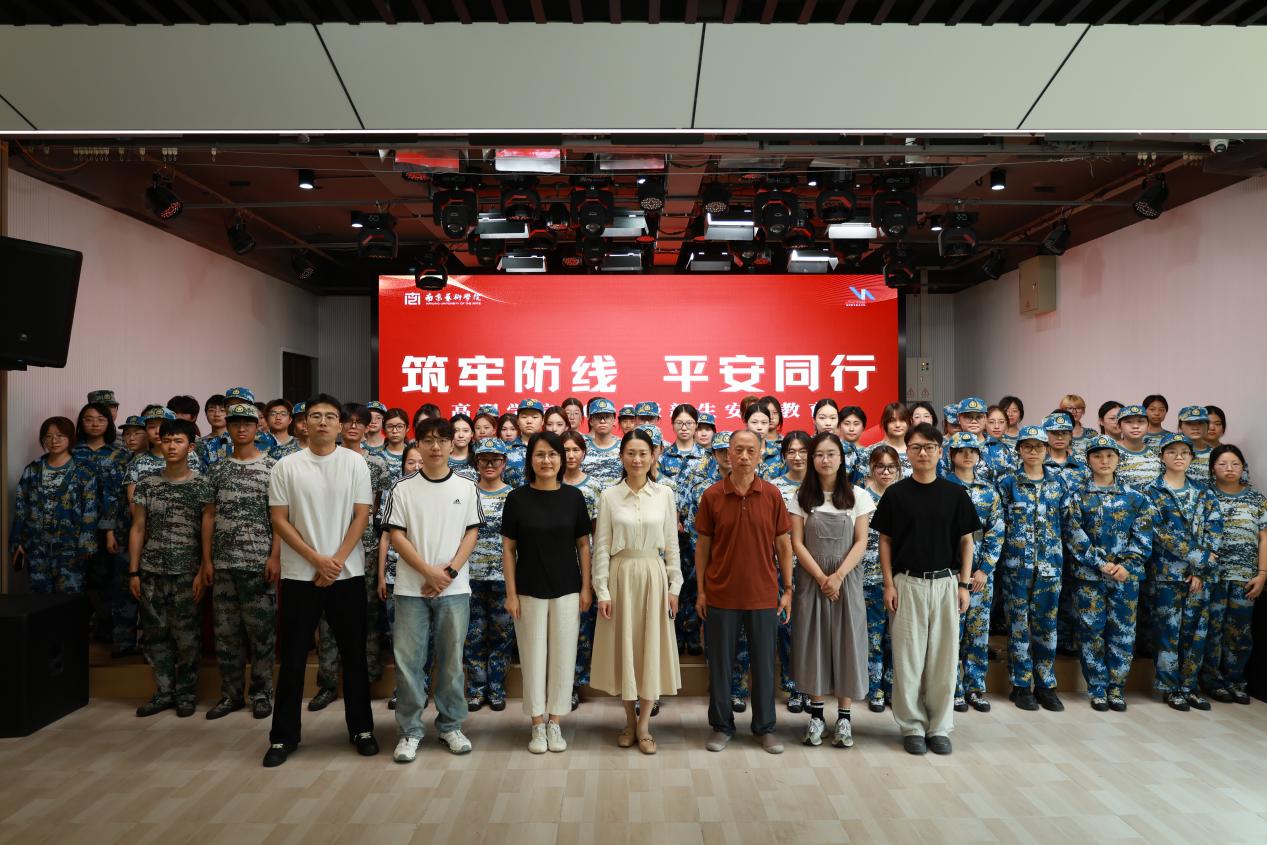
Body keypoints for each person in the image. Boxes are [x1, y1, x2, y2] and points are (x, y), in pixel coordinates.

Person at [263, 394, 377, 767]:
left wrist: (337, 560)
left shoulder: (355, 463)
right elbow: (279, 520)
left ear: (340, 425)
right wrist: (316, 560)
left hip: (348, 573)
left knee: (354, 656)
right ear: (304, 423)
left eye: (330, 416)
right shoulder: (286, 467)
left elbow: (361, 515)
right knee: (294, 658)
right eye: (315, 416)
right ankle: (283, 737)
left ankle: (362, 729)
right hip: (300, 574)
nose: (323, 422)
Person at [871, 423, 978, 755]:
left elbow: (967, 542)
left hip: (946, 584)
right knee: (908, 659)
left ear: (940, 451)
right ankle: (912, 726)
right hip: (907, 583)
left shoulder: (955, 494)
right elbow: (885, 541)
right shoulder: (896, 494)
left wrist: (964, 584)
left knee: (944, 659)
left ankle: (939, 727)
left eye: (929, 447)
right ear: (907, 451)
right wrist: (889, 583)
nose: (923, 453)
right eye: (916, 447)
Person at [380, 416, 481, 762]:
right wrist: (427, 572)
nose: (435, 446)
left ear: (453, 444)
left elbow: (472, 532)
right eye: (428, 440)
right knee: (408, 663)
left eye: (442, 440)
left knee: (451, 661)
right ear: (418, 444)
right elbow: (396, 534)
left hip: (455, 589)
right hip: (411, 589)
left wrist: (448, 573)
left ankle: (451, 725)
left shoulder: (466, 486)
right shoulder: (402, 487)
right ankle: (409, 731)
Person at [696, 429, 794, 755]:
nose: (743, 456)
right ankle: (721, 726)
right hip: (721, 594)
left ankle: (765, 728)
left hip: (763, 594)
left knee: (764, 665)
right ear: (727, 453)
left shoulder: (772, 495)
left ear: (761, 452)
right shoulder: (712, 496)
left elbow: (784, 546)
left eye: (751, 450)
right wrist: (701, 591)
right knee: (720, 665)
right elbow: (703, 548)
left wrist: (788, 589)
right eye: (738, 450)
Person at [591, 428, 683, 754]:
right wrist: (602, 590)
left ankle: (644, 726)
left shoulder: (665, 495)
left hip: (653, 576)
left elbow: (672, 544)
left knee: (649, 650)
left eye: (643, 453)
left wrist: (674, 586)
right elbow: (601, 547)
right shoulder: (609, 496)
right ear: (621, 457)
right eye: (630, 453)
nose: (637, 459)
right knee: (625, 650)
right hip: (621, 577)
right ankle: (629, 721)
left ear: (653, 455)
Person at [501, 431, 593, 754]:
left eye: (553, 454)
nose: (547, 460)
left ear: (562, 459)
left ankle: (555, 721)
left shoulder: (574, 498)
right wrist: (511, 594)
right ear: (530, 459)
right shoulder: (517, 499)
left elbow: (584, 545)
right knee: (532, 657)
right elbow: (508, 549)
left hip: (568, 589)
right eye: (540, 454)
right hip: (528, 590)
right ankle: (537, 723)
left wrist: (586, 587)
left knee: (564, 657)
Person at [788, 432, 875, 749]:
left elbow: (861, 542)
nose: (825, 460)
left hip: (846, 578)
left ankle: (844, 717)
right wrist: (821, 577)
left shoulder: (858, 496)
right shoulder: (800, 497)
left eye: (831, 454)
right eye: (819, 454)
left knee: (847, 641)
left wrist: (837, 576)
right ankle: (816, 714)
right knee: (814, 641)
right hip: (812, 579)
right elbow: (797, 543)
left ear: (841, 458)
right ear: (812, 460)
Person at [128, 418, 212, 718]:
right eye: (167, 441)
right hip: (152, 569)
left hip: (187, 572)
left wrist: (203, 568)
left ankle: (186, 693)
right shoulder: (148, 484)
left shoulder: (202, 485)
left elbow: (208, 530)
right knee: (155, 635)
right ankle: (163, 692)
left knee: (187, 637)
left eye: (178, 441)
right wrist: (134, 571)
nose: (171, 446)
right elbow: (138, 528)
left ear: (191, 447)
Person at [200, 402, 279, 721]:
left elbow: (280, 518)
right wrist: (206, 560)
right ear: (228, 428)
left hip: (258, 562)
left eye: (247, 423)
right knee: (226, 634)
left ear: (257, 427)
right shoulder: (217, 468)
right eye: (235, 423)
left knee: (261, 634)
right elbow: (209, 515)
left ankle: (262, 693)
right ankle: (230, 695)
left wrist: (275, 556)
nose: (241, 428)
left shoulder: (272, 467)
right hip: (223, 564)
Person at [1067, 434, 1155, 712]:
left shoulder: (1136, 497)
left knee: (1123, 634)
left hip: (1124, 577)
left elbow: (1143, 536)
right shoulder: (1077, 496)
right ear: (1088, 460)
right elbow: (1074, 535)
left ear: (1119, 459)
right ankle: (1097, 688)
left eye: (1109, 456)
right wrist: (1100, 563)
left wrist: (1127, 565)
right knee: (1091, 632)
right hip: (1090, 577)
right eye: (1097, 456)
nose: (1104, 461)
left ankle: (1116, 688)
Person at [996, 425, 1073, 713]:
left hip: (1050, 567)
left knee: (1047, 627)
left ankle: (1045, 685)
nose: (1033, 451)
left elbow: (1068, 525)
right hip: (1017, 568)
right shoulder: (1008, 484)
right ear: (1019, 450)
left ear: (1047, 450)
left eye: (1038, 447)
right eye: (1027, 446)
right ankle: (1020, 685)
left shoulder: (1058, 484)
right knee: (1018, 626)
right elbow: (999, 526)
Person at [1143, 433, 1222, 712]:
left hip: (1199, 577)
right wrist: (1199, 557)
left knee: (1195, 633)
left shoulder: (1204, 492)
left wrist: (1201, 569)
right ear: (1162, 456)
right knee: (1168, 633)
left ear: (1191, 458)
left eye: (1184, 453)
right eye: (1172, 452)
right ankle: (1170, 688)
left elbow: (1215, 530)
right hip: (1165, 574)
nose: (1179, 457)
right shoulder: (1150, 492)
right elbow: (1159, 532)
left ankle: (1189, 687)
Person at [944, 433, 1004, 714]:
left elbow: (997, 532)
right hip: (951, 574)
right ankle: (953, 689)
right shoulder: (942, 488)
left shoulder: (989, 491)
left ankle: (975, 688)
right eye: (962, 450)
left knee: (978, 634)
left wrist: (985, 569)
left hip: (980, 577)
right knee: (951, 634)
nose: (968, 455)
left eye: (973, 451)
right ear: (951, 454)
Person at [1204, 445, 1266, 705]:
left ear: (1243, 467)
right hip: (1213, 576)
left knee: (1240, 632)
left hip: (1245, 577)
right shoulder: (1205, 495)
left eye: (1235, 464)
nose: (1229, 469)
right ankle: (1212, 681)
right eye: (1222, 464)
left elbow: (1264, 538)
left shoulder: (1256, 499)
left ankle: (1235, 681)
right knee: (1212, 630)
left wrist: (1263, 573)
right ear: (1212, 468)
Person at [11, 417, 100, 594]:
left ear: (70, 438)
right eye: (48, 436)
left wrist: (87, 543)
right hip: (37, 547)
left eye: (60, 435)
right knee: (39, 600)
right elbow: (21, 507)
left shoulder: (83, 471)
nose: (54, 440)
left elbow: (90, 509)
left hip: (71, 548)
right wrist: (17, 541)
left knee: (69, 600)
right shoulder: (33, 470)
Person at [72, 402, 131, 649]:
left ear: (109, 423)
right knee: (81, 580)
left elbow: (122, 494)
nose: (94, 424)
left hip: (113, 527)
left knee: (109, 579)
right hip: (77, 527)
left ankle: (107, 632)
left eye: (100, 419)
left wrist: (110, 530)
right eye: (88, 419)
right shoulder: (73, 452)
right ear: (80, 423)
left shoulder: (120, 454)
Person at [463, 439, 514, 712]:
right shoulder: (466, 493)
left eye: (495, 459)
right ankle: (475, 690)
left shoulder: (514, 496)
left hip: (504, 578)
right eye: (484, 459)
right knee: (473, 635)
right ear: (477, 463)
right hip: (470, 575)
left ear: (504, 463)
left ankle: (496, 689)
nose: (490, 464)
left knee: (501, 636)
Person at [561, 430, 603, 710]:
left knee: (583, 629)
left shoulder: (594, 487)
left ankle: (576, 683)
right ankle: (561, 683)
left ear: (584, 453)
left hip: (586, 566)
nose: (570, 455)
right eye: (565, 450)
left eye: (575, 450)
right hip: (558, 567)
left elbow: (599, 533)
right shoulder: (549, 483)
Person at [772, 432, 812, 712]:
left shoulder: (822, 485)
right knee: (787, 628)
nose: (797, 457)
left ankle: (811, 685)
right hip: (782, 568)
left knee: (811, 629)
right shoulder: (774, 488)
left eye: (803, 451)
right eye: (791, 451)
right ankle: (793, 686)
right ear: (784, 455)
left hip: (816, 569)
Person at [861, 445, 899, 713]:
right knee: (873, 638)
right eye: (880, 466)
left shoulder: (904, 496)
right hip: (868, 578)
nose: (886, 472)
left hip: (900, 578)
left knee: (896, 639)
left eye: (891, 467)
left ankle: (892, 688)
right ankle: (874, 689)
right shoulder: (860, 497)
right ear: (871, 468)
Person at [581, 397, 623, 488]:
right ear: (591, 421)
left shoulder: (624, 446)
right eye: (598, 417)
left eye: (607, 417)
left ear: (614, 420)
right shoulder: (582, 447)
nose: (602, 421)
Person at [660, 404, 704, 484]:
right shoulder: (662, 457)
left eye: (689, 423)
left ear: (696, 425)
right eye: (679, 423)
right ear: (673, 425)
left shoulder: (707, 457)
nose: (684, 428)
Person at [873, 402, 913, 479]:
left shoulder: (918, 451)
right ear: (885, 423)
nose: (897, 425)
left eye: (902, 420)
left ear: (909, 422)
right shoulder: (871, 451)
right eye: (892, 420)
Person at [1177, 406, 1213, 484]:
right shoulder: (1170, 453)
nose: (1195, 427)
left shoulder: (1216, 454)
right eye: (1189, 423)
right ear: (1180, 426)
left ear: (1207, 426)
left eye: (1200, 423)